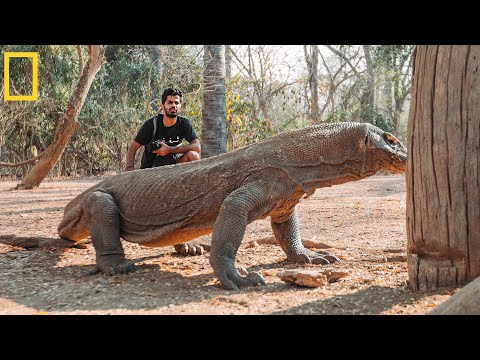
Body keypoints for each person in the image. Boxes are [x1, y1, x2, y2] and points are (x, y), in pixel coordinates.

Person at [125, 87, 201, 171]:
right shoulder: (151, 125)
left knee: (193, 155)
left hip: (174, 166)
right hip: (150, 170)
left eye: (176, 103)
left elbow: (197, 147)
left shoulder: (184, 124)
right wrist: (130, 171)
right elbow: (133, 148)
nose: (173, 105)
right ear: (162, 106)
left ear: (181, 107)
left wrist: (169, 150)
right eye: (169, 102)